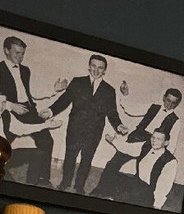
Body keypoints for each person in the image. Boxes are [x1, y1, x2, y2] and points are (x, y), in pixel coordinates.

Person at [42, 54, 128, 194]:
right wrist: (50, 111)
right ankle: (65, 183)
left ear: (104, 71)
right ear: (89, 66)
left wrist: (119, 125)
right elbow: (64, 100)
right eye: (93, 66)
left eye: (100, 68)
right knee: (70, 157)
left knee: (87, 159)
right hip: (75, 128)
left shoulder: (109, 90)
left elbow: (112, 112)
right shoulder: (77, 82)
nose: (96, 70)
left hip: (94, 131)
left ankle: (79, 187)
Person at [93, 88, 182, 194]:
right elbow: (131, 109)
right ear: (164, 98)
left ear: (177, 104)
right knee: (113, 164)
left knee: (141, 176)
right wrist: (125, 95)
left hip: (151, 147)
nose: (170, 105)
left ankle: (130, 198)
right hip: (135, 139)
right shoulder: (153, 107)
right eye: (168, 100)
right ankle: (100, 190)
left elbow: (172, 143)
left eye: (173, 103)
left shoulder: (176, 121)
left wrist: (164, 159)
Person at [0, 35, 60, 186]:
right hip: (8, 113)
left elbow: (31, 92)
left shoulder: (26, 70)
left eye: (22, 53)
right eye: (17, 53)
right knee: (3, 145)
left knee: (47, 140)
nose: (20, 57)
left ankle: (43, 180)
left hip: (29, 110)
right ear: (6, 50)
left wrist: (53, 90)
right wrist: (11, 105)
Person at [97, 128, 177, 210]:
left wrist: (156, 206)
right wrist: (113, 140)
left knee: (126, 200)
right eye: (153, 137)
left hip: (148, 192)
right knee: (111, 174)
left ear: (166, 143)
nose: (154, 141)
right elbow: (128, 148)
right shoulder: (146, 146)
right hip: (136, 183)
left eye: (158, 139)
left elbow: (163, 186)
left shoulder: (170, 161)